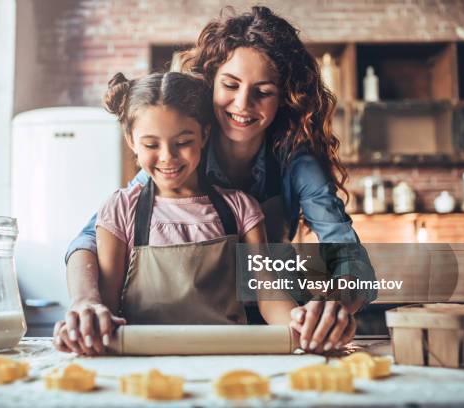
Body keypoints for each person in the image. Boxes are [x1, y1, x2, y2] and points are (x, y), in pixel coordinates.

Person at [55, 6, 376, 356]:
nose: (243, 103)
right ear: (210, 81)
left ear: (286, 97)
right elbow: (91, 238)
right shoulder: (180, 154)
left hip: (271, 329)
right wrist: (86, 301)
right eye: (230, 84)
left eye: (263, 92)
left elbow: (346, 253)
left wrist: (333, 309)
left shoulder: (294, 162)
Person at [54, 71, 297, 355]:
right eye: (151, 145)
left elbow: (269, 294)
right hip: (141, 362)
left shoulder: (241, 208)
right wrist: (88, 322)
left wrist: (300, 324)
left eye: (182, 142)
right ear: (131, 140)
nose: (167, 156)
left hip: (227, 358)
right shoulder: (119, 209)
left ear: (204, 135)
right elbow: (105, 304)